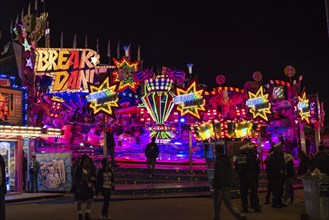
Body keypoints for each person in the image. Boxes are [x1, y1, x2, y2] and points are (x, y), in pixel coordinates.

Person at [213, 144, 247, 220]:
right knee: (228, 202)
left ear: (217, 152)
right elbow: (231, 171)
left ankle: (217, 217)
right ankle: (239, 215)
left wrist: (217, 185)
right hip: (228, 184)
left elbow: (219, 174)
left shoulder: (218, 161)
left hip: (220, 185)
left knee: (217, 203)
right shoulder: (228, 160)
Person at [235, 138, 261, 213]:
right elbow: (254, 166)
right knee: (253, 192)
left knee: (244, 193)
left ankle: (245, 207)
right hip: (250, 176)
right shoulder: (250, 157)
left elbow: (237, 168)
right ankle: (256, 207)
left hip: (243, 177)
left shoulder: (239, 157)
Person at [73, 154, 95, 220]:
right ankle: (80, 216)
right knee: (79, 201)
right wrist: (77, 187)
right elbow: (76, 178)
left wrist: (91, 180)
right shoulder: (78, 168)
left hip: (87, 186)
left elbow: (90, 176)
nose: (88, 161)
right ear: (84, 160)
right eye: (87, 159)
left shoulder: (88, 168)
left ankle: (87, 214)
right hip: (81, 186)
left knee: (90, 199)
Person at [266, 141, 286, 208]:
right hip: (276, 175)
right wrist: (280, 171)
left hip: (280, 174)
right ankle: (275, 203)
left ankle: (279, 202)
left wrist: (283, 170)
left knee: (280, 189)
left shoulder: (280, 155)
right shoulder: (274, 156)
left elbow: (282, 164)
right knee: (276, 189)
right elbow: (275, 166)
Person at [0, 154, 7, 220]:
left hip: (1, 187)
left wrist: (4, 188)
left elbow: (3, 173)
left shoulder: (1, 159)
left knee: (2, 207)